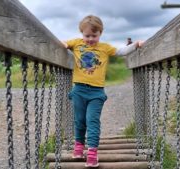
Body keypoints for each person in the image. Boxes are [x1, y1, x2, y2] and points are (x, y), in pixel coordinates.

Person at [61, 15, 143, 168]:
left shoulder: (104, 48)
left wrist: (136, 45)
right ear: (81, 33)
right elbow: (63, 44)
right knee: (79, 121)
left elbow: (121, 51)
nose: (90, 39)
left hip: (96, 92)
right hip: (78, 89)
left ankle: (92, 152)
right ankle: (79, 146)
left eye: (94, 35)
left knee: (92, 121)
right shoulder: (76, 43)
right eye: (87, 35)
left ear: (100, 33)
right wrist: (61, 45)